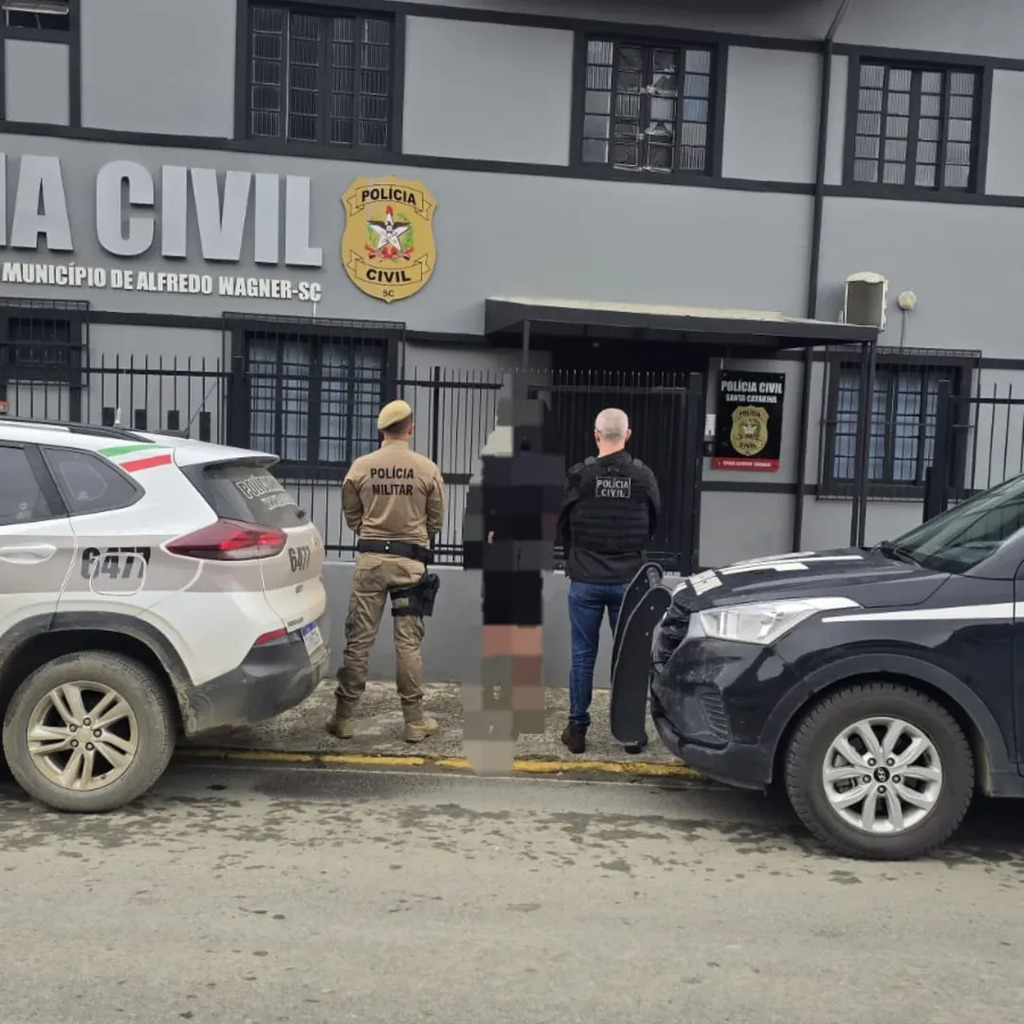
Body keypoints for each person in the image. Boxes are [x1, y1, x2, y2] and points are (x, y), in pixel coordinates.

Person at [327, 399, 446, 743]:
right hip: (410, 564)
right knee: (408, 643)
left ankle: (343, 718)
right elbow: (436, 520)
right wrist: (413, 534)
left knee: (359, 641)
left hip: (371, 562)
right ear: (411, 429)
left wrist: (373, 531)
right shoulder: (427, 469)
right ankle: (414, 722)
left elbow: (352, 517)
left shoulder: (361, 467)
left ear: (381, 431)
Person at [555, 408, 661, 754]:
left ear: (596, 435)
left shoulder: (580, 476)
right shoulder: (643, 476)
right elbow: (653, 521)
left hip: (585, 579)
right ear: (627, 435)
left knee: (582, 655)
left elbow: (563, 523)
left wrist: (575, 558)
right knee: (630, 658)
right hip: (628, 581)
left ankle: (577, 730)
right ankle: (631, 734)